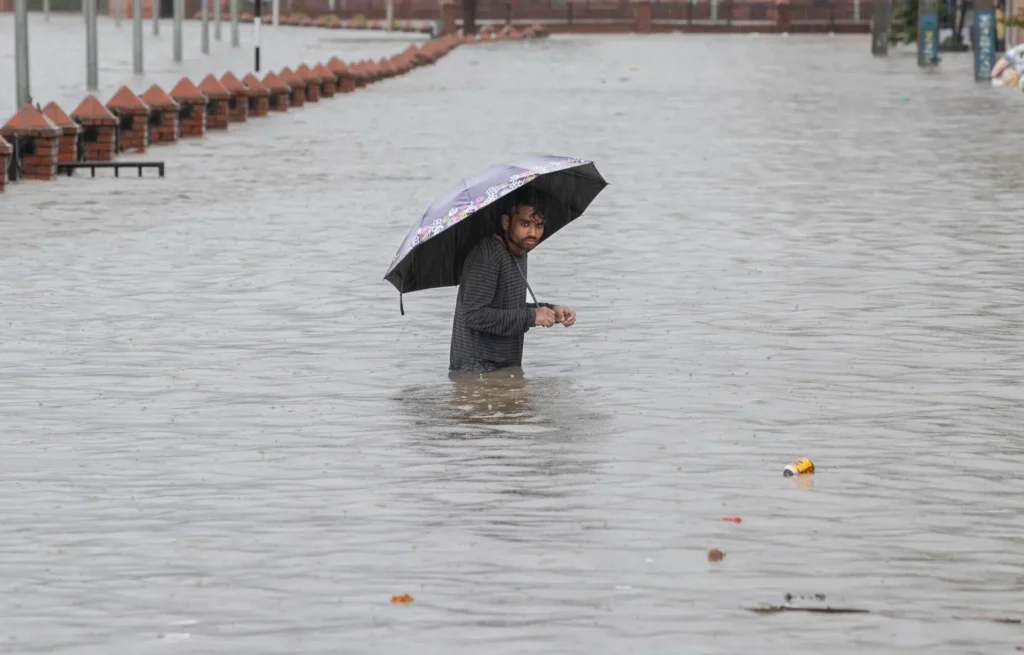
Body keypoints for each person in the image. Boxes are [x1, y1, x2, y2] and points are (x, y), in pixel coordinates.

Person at [448, 201, 576, 374]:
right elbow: (473, 315)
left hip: (504, 369)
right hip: (478, 371)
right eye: (525, 224)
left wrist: (551, 310)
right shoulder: (488, 255)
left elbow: (507, 306)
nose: (533, 233)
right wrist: (531, 317)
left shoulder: (520, 251)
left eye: (539, 225)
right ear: (506, 223)